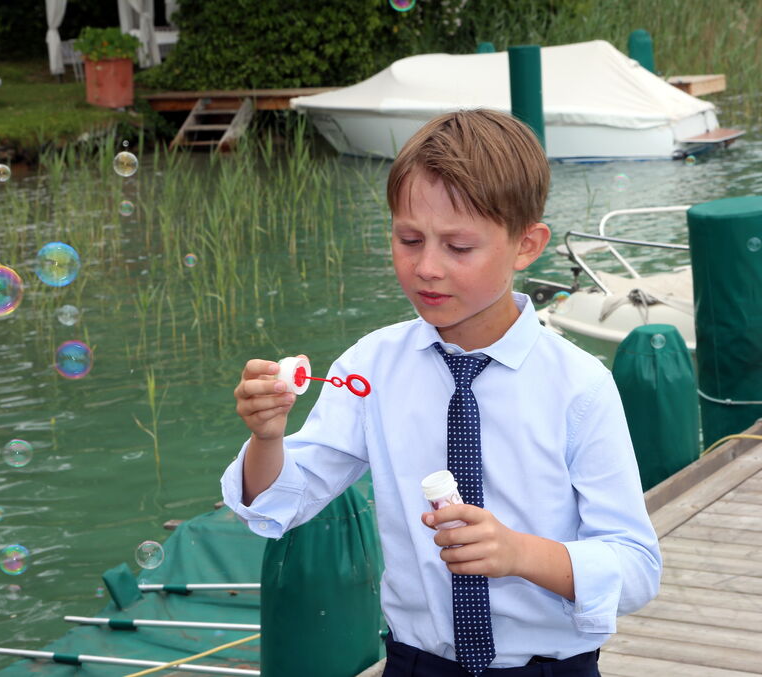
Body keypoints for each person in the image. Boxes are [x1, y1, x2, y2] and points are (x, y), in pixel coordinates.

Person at [221, 109, 661, 676]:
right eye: (409, 239)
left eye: (458, 246)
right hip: (416, 664)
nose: (426, 267)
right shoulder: (371, 367)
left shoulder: (579, 385)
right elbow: (281, 502)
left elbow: (637, 567)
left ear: (526, 245)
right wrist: (267, 438)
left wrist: (520, 553)